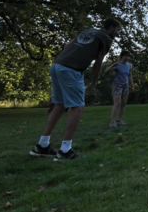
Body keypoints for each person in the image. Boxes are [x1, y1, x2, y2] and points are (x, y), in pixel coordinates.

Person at [29, 18, 121, 160]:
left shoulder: (87, 31)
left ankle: (42, 145)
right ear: (111, 28)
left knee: (59, 106)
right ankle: (65, 150)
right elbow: (98, 64)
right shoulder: (106, 39)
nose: (117, 33)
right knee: (77, 107)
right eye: (117, 30)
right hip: (71, 69)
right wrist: (93, 84)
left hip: (57, 65)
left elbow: (68, 45)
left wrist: (66, 59)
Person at [105, 50, 135, 128]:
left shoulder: (129, 65)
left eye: (128, 56)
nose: (127, 58)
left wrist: (132, 86)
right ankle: (112, 122)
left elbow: (129, 76)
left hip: (125, 86)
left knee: (123, 104)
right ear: (122, 56)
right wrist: (112, 65)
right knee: (117, 104)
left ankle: (119, 120)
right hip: (117, 86)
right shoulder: (117, 64)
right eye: (126, 56)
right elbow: (106, 71)